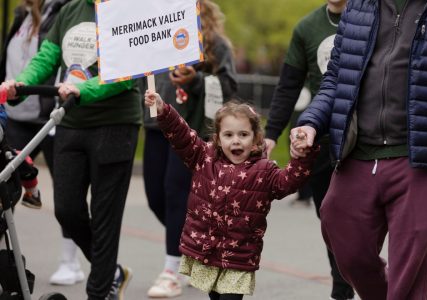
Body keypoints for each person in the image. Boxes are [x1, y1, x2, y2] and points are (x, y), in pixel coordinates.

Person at [290, 0, 427, 299]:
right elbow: (335, 81)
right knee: (341, 235)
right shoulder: (358, 7)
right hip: (358, 155)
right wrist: (310, 123)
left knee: (410, 272)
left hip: (421, 160)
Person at [0, 0, 142, 298]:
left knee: (104, 217)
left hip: (115, 124)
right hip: (70, 121)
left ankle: (100, 291)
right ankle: (112, 271)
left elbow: (127, 73)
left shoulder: (129, 10)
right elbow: (47, 57)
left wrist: (84, 90)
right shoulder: (70, 10)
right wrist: (21, 83)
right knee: (66, 209)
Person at [144, 92, 318, 300]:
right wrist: (163, 111)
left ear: (256, 140)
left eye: (243, 135)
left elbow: (290, 181)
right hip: (207, 252)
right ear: (218, 139)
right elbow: (182, 135)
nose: (236, 141)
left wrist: (302, 157)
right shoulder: (204, 157)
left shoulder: (264, 171)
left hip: (239, 258)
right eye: (228, 135)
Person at [141, 0, 237, 298]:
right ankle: (196, 245)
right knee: (156, 197)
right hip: (154, 126)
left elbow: (229, 86)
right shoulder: (152, 33)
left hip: (191, 131)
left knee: (174, 192)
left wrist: (196, 81)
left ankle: (172, 270)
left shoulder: (215, 43)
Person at [264, 1, 354, 298]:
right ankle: (342, 286)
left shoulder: (371, 16)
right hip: (322, 141)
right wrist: (271, 134)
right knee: (329, 220)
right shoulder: (307, 28)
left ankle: (356, 280)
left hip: (362, 139)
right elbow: (289, 85)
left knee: (361, 221)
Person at [0, 0, 85, 287]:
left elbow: (52, 59)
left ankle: (70, 261)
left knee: (66, 190)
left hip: (49, 112)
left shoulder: (64, 10)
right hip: (17, 113)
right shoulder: (22, 15)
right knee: (5, 182)